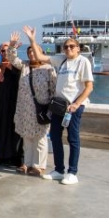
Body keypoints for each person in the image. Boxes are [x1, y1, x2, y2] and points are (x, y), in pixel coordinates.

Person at [25, 26, 94, 185]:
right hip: (58, 106)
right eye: (66, 47)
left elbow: (89, 86)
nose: (68, 49)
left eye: (71, 46)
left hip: (73, 107)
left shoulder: (82, 62)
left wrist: (77, 104)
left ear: (78, 49)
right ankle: (58, 170)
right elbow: (40, 56)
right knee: (55, 137)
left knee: (73, 138)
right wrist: (32, 40)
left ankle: (72, 172)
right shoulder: (61, 60)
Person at [6, 32, 57, 176]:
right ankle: (27, 164)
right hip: (24, 108)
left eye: (34, 51)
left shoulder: (49, 69)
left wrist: (51, 109)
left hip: (41, 109)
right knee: (26, 137)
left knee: (40, 138)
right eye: (29, 52)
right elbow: (11, 57)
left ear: (40, 53)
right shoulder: (24, 66)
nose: (31, 54)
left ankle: (39, 166)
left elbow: (53, 90)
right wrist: (12, 45)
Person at [0, 40, 22, 167]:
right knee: (3, 130)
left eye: (7, 50)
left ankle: (16, 157)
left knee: (15, 131)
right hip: (2, 104)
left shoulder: (17, 65)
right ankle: (3, 156)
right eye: (2, 50)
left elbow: (20, 77)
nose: (5, 52)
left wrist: (9, 65)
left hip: (15, 103)